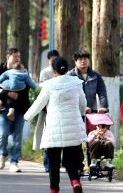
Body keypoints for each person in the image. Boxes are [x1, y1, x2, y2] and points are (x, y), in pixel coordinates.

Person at [24, 56, 86, 193]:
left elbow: (39, 104)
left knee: (54, 163)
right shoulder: (76, 83)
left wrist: (26, 117)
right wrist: (81, 115)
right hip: (73, 127)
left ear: (54, 70)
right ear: (67, 68)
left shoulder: (49, 85)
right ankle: (75, 182)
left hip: (53, 130)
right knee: (71, 161)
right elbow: (83, 103)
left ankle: (54, 190)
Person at [0, 47, 30, 173]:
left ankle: (14, 162)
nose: (18, 59)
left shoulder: (23, 71)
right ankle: (3, 154)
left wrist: (17, 92)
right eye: (15, 56)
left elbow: (27, 87)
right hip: (3, 107)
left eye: (19, 56)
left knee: (18, 136)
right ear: (8, 57)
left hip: (20, 107)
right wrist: (7, 93)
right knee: (2, 134)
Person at [36, 49, 60, 172]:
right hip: (47, 109)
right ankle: (47, 164)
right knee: (47, 137)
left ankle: (56, 163)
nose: (54, 62)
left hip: (59, 109)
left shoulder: (62, 72)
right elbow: (43, 89)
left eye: (56, 59)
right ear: (48, 60)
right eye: (52, 60)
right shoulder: (45, 72)